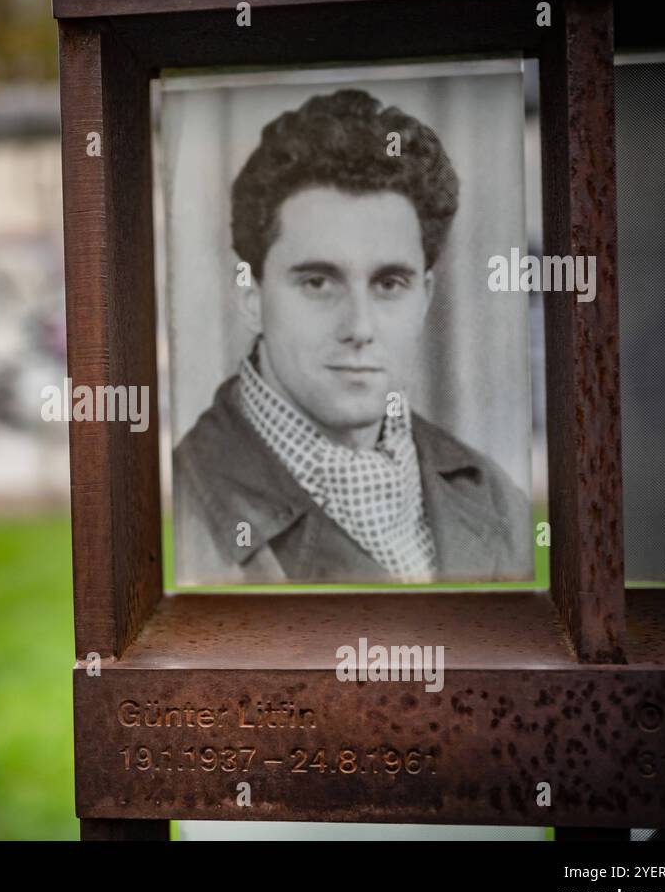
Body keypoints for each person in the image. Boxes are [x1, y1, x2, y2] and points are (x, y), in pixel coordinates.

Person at [173, 89, 533, 585]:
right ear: (251, 296)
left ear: (424, 297)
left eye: (389, 284)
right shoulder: (177, 506)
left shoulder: (495, 497)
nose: (359, 328)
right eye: (318, 283)